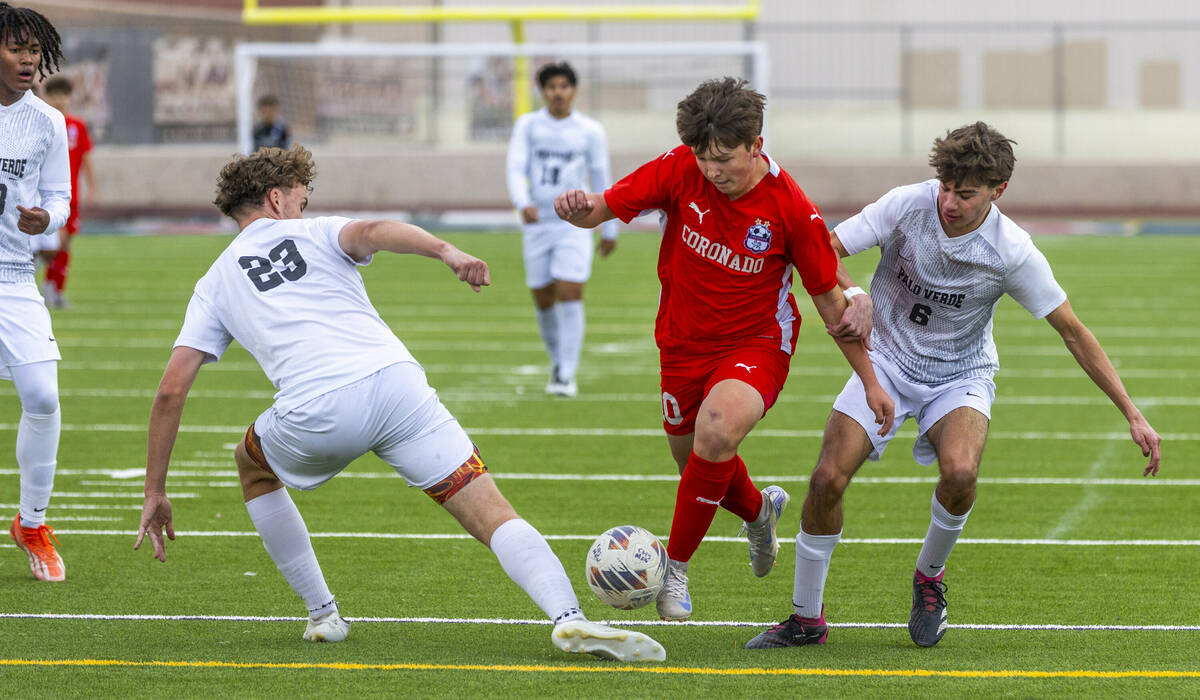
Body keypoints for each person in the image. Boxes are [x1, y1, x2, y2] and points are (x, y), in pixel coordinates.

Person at [133, 145, 665, 662]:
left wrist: (155, 488)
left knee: (252, 466)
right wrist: (446, 251)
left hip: (317, 412)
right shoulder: (313, 232)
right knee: (491, 511)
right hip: (396, 386)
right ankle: (567, 614)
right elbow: (371, 232)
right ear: (276, 199)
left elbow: (170, 390)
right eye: (300, 198)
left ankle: (324, 615)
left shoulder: (214, 282)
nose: (304, 208)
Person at [745, 121, 1163, 650]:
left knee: (961, 472)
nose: (949, 202)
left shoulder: (1012, 251)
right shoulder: (907, 204)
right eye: (945, 187)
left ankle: (929, 578)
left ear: (997, 191)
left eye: (965, 194)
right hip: (886, 362)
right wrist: (854, 295)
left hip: (959, 374)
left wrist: (1132, 412)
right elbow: (822, 250)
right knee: (827, 477)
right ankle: (806, 619)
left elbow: (1073, 332)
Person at [554, 77, 894, 621]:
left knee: (716, 429)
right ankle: (760, 513)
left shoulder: (791, 208)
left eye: (724, 159)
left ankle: (675, 569)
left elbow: (830, 299)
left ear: (756, 145)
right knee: (694, 458)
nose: (712, 170)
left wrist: (871, 381)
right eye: (704, 157)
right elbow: (605, 207)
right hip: (681, 342)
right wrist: (579, 208)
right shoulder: (678, 168)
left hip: (758, 343)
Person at [0, 2, 71, 582]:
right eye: (15, 47)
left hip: (12, 276)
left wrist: (43, 219)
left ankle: (32, 521)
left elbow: (62, 200)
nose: (27, 59)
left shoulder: (46, 121)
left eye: (33, 50)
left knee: (43, 396)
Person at [506, 61, 617, 397]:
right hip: (539, 222)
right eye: (551, 87)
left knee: (570, 290)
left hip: (574, 223)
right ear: (542, 92)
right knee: (543, 297)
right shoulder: (528, 126)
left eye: (564, 86)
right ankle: (557, 362)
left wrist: (609, 229)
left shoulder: (590, 131)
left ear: (573, 90)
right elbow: (515, 166)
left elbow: (601, 177)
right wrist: (522, 201)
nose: (558, 93)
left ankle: (566, 373)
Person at [35, 74, 94, 309]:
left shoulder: (77, 126)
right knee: (55, 242)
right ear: (47, 97)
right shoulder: (44, 123)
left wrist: (93, 187)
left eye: (64, 95)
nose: (60, 100)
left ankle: (54, 288)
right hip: (48, 195)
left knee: (65, 244)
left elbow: (86, 158)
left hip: (73, 197)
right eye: (55, 95)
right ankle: (40, 280)